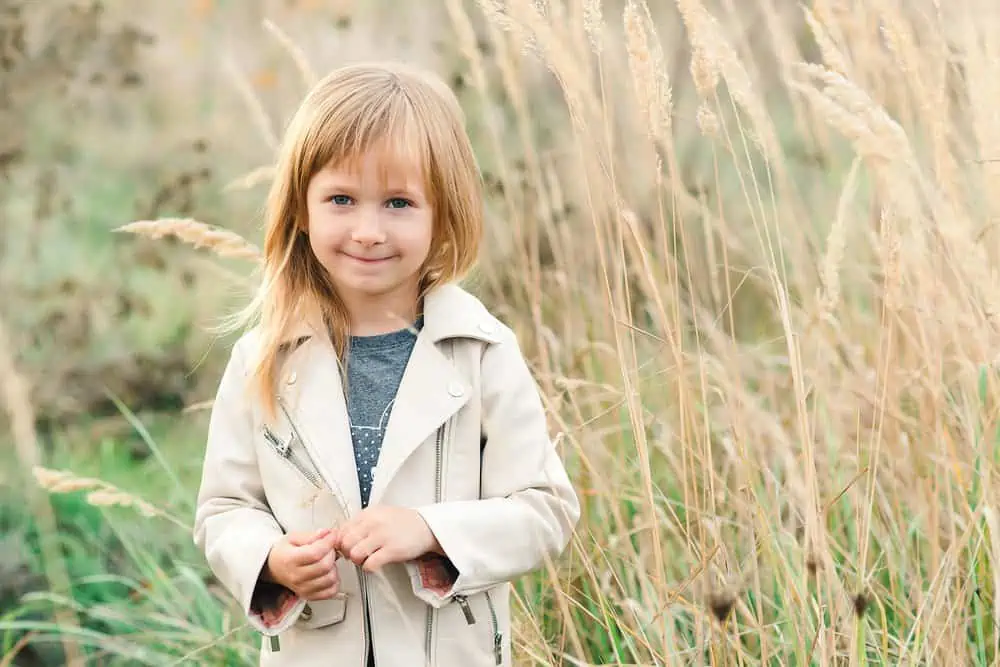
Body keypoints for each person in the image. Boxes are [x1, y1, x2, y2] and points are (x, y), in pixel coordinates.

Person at [192, 61, 580, 667]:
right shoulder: (262, 358)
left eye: (399, 202)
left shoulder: (482, 352)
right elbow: (224, 509)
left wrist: (430, 530)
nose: (368, 231)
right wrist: (270, 558)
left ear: (442, 214)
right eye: (341, 199)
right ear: (302, 208)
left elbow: (545, 509)